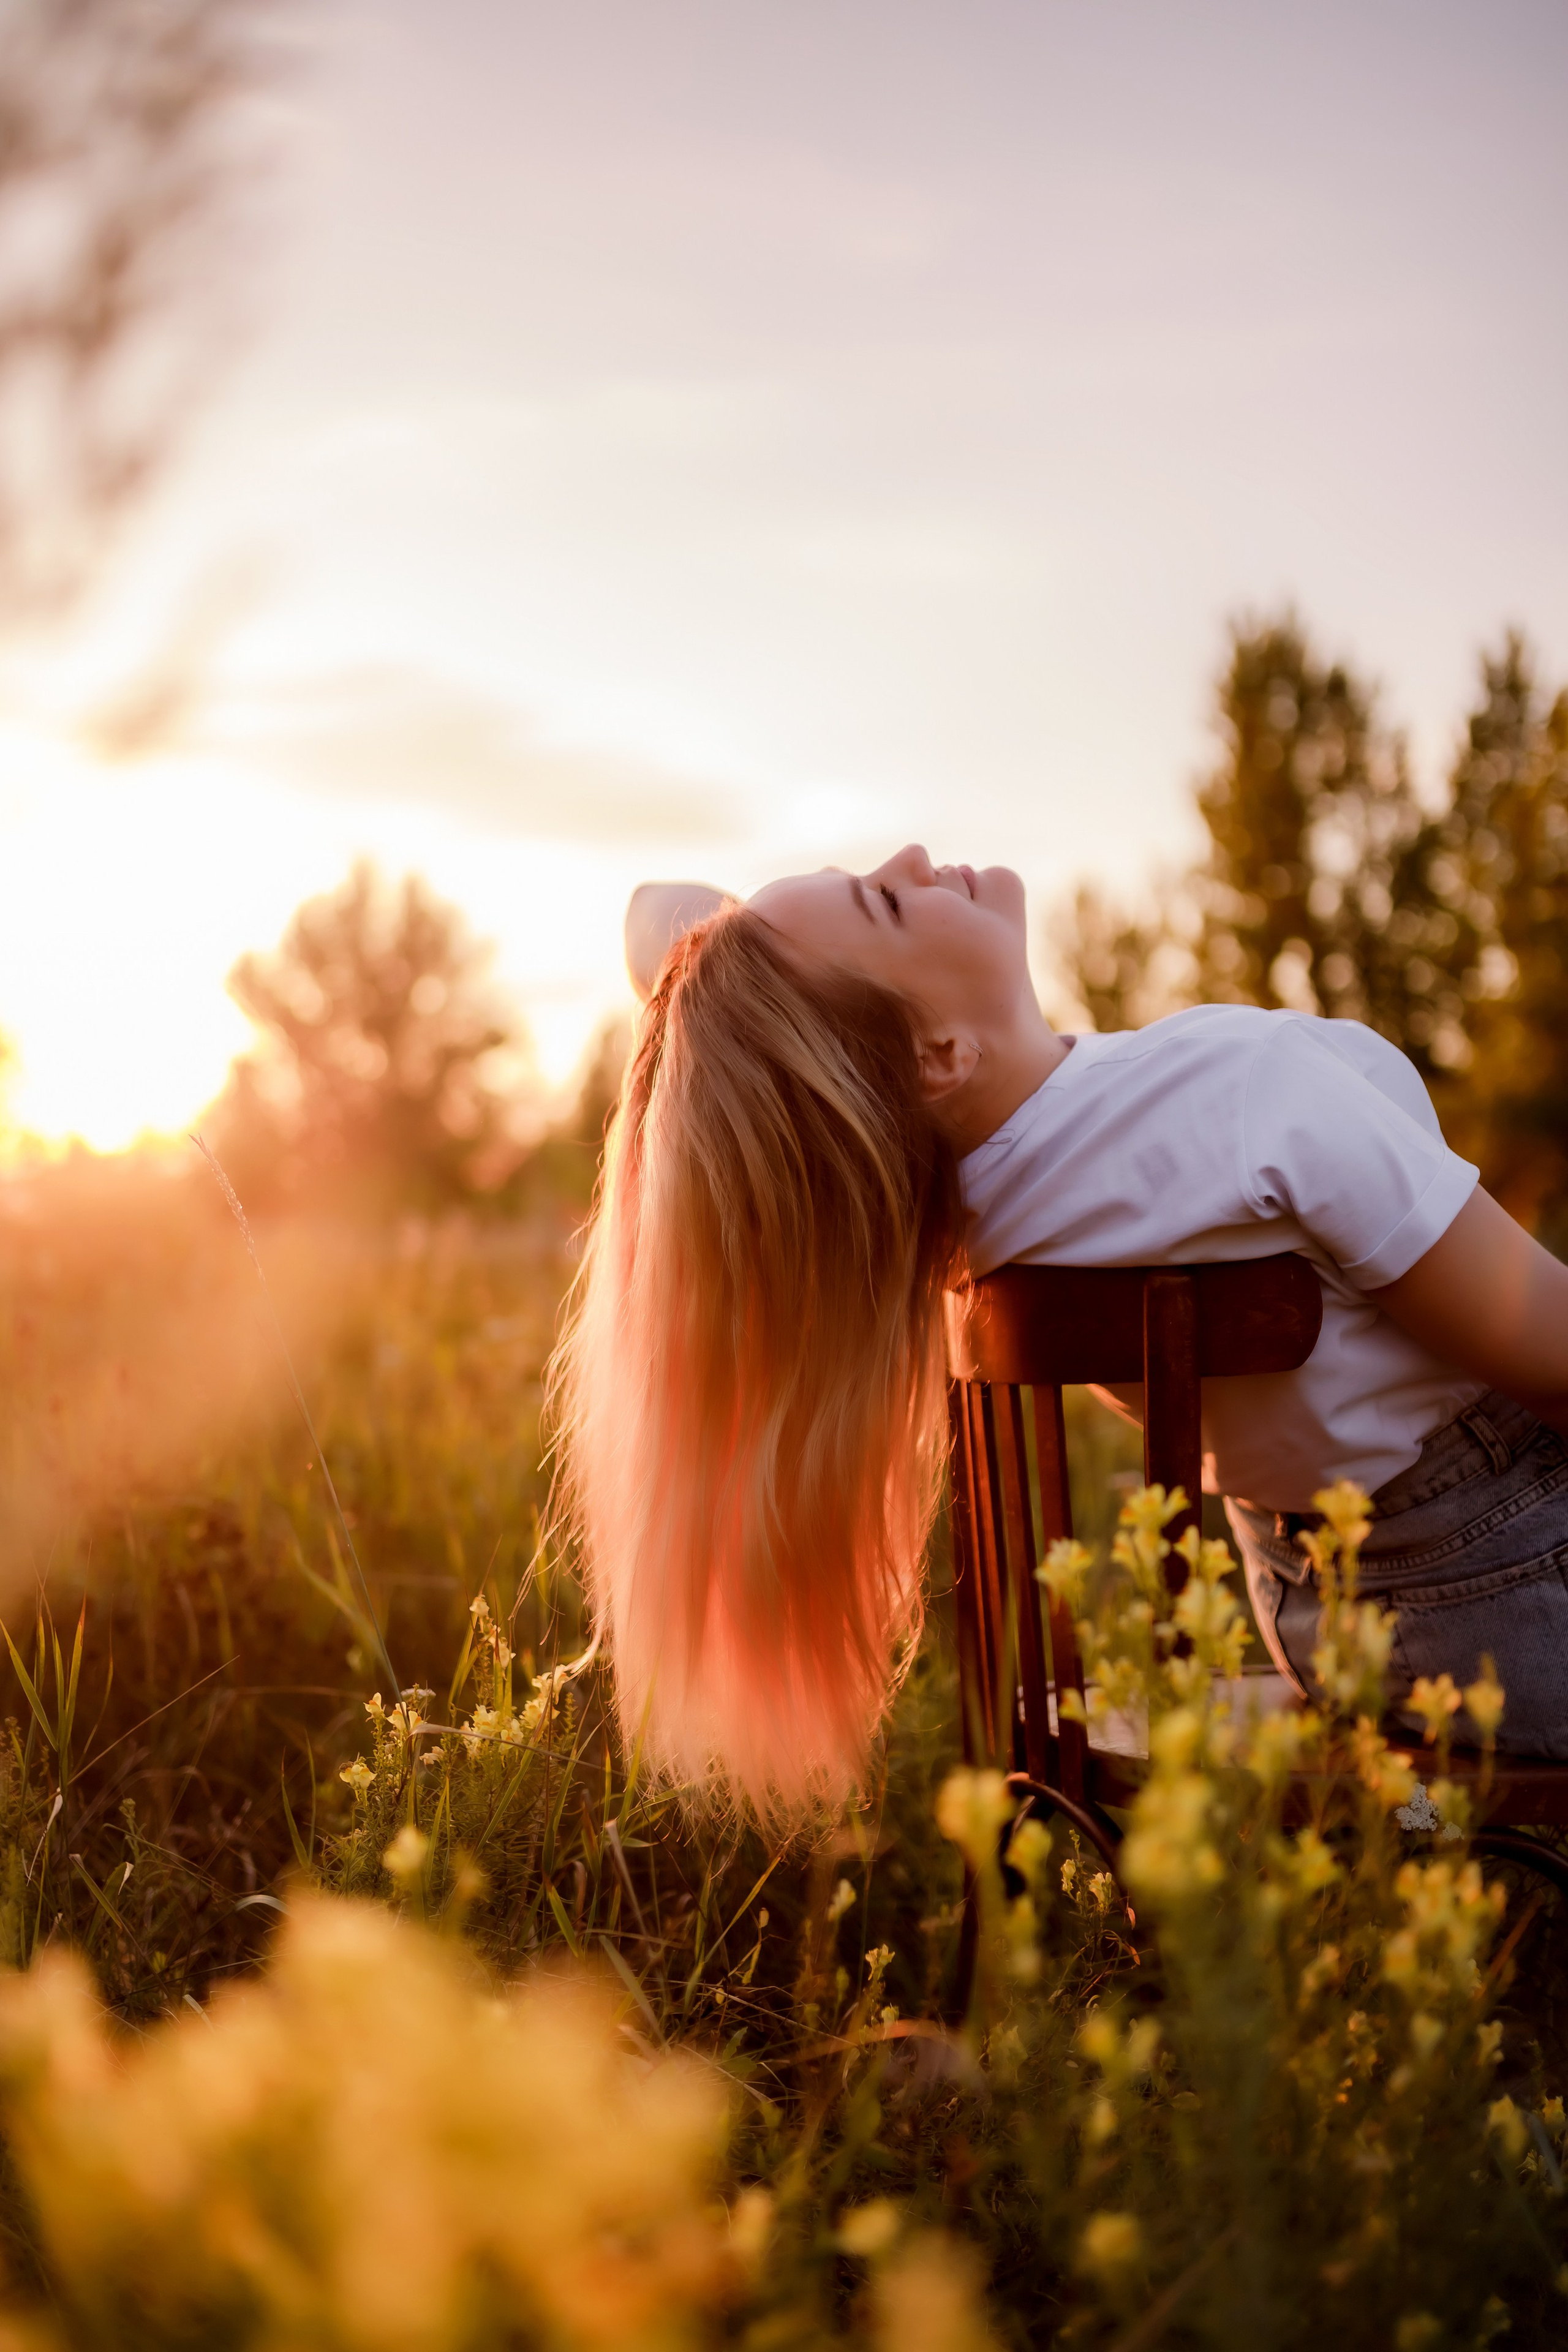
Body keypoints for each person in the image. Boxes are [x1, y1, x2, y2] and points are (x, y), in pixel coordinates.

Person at [548, 845, 1568, 1815]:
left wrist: (722, 955)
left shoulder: (970, 1222)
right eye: (885, 899)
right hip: (1514, 1602)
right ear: (940, 1054)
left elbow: (674, 936)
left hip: (1335, 1631)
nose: (911, 856)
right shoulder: (1247, 1098)